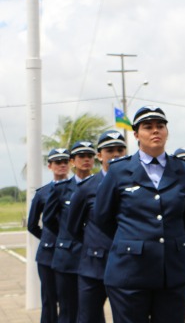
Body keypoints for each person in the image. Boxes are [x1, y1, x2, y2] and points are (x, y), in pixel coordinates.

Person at [94, 106, 185, 323]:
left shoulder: (182, 170)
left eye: (160, 126)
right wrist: (132, 240)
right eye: (147, 127)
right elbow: (103, 217)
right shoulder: (118, 171)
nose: (155, 131)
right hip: (129, 273)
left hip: (172, 272)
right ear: (136, 134)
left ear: (167, 132)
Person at [67, 130, 127, 323]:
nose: (116, 154)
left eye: (120, 149)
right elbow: (73, 227)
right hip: (94, 266)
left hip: (128, 264)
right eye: (110, 150)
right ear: (100, 155)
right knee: (88, 318)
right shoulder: (86, 188)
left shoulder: (137, 183)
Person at [43, 141, 96, 323]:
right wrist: (65, 236)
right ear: (72, 161)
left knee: (93, 312)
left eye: (90, 156)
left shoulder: (101, 186)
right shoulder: (61, 189)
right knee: (67, 310)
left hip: (93, 257)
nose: (86, 160)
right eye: (81, 156)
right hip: (67, 257)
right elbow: (48, 220)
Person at [27, 148, 71, 323]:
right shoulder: (42, 193)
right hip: (48, 255)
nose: (61, 165)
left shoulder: (78, 189)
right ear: (50, 166)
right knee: (49, 300)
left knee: (69, 300)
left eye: (65, 162)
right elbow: (32, 225)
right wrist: (47, 237)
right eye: (57, 162)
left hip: (70, 253)